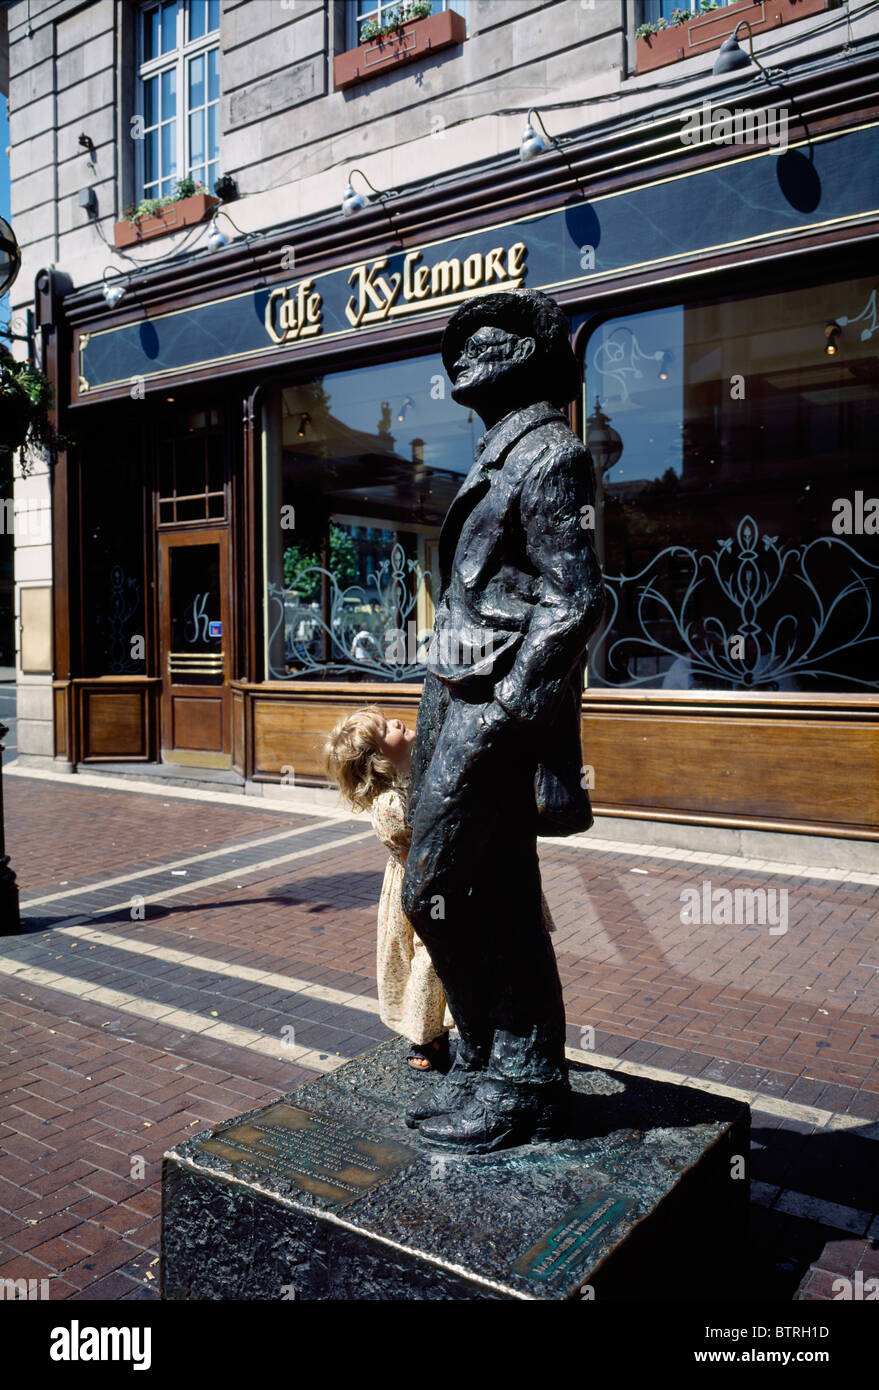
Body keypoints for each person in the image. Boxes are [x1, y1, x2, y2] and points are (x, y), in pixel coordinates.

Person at [400, 289, 606, 1152]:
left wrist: (510, 714)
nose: (464, 357)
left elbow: (577, 600)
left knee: (435, 887)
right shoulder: (499, 454)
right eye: (458, 346)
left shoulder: (549, 455)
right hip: (454, 691)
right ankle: (505, 1073)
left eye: (483, 342)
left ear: (526, 358)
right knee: (484, 889)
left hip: (491, 706)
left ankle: (517, 1076)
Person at [323, 704, 453, 1071]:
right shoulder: (391, 804)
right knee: (426, 958)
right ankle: (426, 1036)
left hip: (439, 884)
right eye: (384, 731)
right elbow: (426, 851)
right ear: (378, 758)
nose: (397, 721)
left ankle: (441, 1030)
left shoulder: (422, 768)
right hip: (424, 889)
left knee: (439, 958)